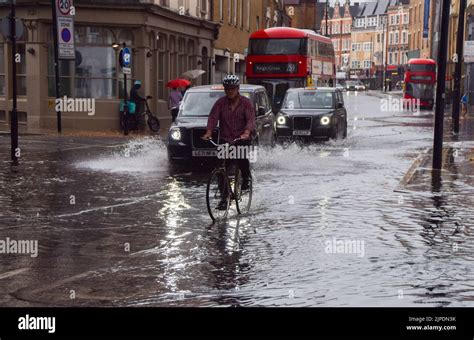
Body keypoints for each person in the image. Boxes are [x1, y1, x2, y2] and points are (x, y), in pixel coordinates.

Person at [201, 74, 255, 210]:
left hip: (241, 138)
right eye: (227, 89)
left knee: (241, 156)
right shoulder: (220, 103)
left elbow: (250, 120)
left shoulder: (246, 103)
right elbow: (213, 118)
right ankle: (225, 198)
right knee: (220, 167)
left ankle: (246, 179)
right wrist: (208, 133)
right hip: (226, 139)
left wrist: (247, 132)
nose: (229, 91)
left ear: (238, 89)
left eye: (232, 89)